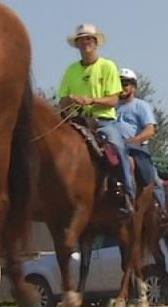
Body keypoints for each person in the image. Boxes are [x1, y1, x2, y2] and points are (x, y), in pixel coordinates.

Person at [57, 23, 133, 216]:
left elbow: (113, 100)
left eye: (89, 39)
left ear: (96, 42)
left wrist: (92, 100)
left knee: (118, 148)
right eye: (81, 40)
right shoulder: (71, 70)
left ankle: (127, 195)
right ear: (77, 44)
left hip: (102, 121)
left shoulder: (107, 66)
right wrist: (71, 99)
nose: (85, 43)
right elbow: (62, 101)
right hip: (75, 119)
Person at [116, 68, 168, 223]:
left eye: (126, 84)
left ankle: (160, 208)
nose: (122, 87)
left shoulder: (141, 106)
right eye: (119, 84)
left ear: (133, 87)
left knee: (153, 178)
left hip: (135, 149)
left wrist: (132, 141)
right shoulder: (112, 107)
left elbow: (149, 130)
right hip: (113, 147)